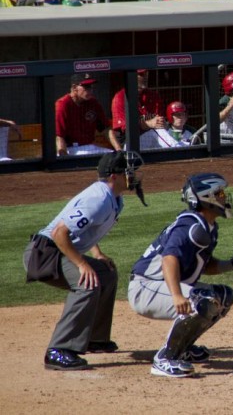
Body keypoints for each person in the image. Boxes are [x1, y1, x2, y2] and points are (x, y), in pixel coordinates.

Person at [23, 151, 145, 371]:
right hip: (43, 253)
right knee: (86, 282)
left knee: (106, 274)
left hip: (57, 250)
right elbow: (60, 233)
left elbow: (86, 231)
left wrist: (96, 254)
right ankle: (58, 350)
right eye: (130, 171)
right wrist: (82, 264)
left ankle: (94, 339)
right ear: (114, 176)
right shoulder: (98, 199)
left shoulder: (115, 199)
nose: (134, 175)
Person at [128, 173, 233, 377]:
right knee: (201, 302)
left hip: (162, 285)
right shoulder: (191, 226)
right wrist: (178, 295)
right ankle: (165, 358)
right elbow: (169, 259)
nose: (225, 197)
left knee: (224, 296)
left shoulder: (208, 227)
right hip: (146, 287)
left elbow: (205, 265)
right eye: (220, 193)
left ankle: (183, 348)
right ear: (207, 197)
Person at [55, 74, 119, 156]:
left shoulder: (93, 103)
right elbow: (59, 136)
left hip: (89, 147)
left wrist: (119, 150)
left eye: (91, 86)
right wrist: (64, 160)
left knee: (115, 157)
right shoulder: (62, 104)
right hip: (70, 149)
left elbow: (105, 129)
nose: (90, 90)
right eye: (86, 87)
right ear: (74, 88)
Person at [111, 69, 165, 148]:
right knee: (156, 132)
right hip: (129, 143)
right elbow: (126, 129)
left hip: (150, 138)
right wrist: (148, 124)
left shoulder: (153, 96)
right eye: (141, 74)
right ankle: (181, 149)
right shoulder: (120, 97)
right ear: (131, 77)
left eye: (146, 74)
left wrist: (161, 123)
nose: (145, 77)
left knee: (160, 132)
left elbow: (159, 122)